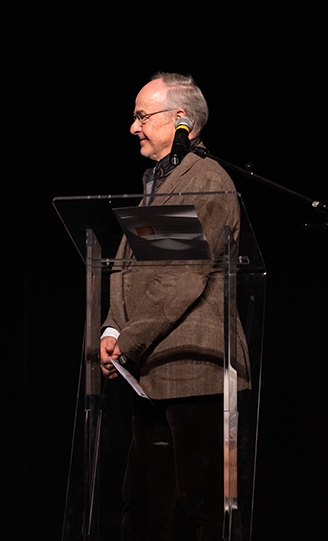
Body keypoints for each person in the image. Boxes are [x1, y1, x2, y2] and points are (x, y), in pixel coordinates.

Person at [99, 73, 250, 540]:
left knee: (202, 505)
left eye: (142, 116)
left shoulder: (205, 178)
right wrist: (109, 330)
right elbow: (126, 267)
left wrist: (127, 338)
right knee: (142, 504)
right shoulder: (158, 182)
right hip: (151, 369)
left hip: (195, 367)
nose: (133, 127)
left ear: (181, 119)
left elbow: (181, 280)